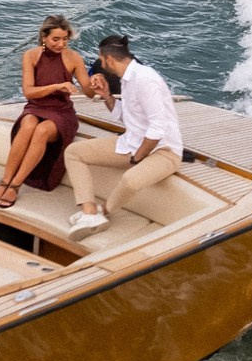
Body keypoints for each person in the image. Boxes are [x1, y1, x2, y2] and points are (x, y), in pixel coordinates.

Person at [65, 36, 183, 235]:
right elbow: (125, 116)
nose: (101, 65)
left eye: (101, 60)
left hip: (164, 151)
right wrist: (107, 95)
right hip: (131, 142)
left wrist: (137, 158)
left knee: (130, 179)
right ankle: (90, 212)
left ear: (109, 60)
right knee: (73, 152)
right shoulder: (128, 79)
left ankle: (103, 212)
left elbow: (158, 128)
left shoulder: (145, 79)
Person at [0, 15, 98, 209]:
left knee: (42, 130)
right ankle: (5, 181)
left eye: (65, 39)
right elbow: (29, 92)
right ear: (44, 37)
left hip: (62, 112)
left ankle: (15, 185)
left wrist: (94, 85)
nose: (61, 44)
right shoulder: (30, 56)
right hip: (36, 106)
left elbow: (89, 93)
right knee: (28, 124)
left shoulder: (73, 58)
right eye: (56, 39)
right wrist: (57, 86)